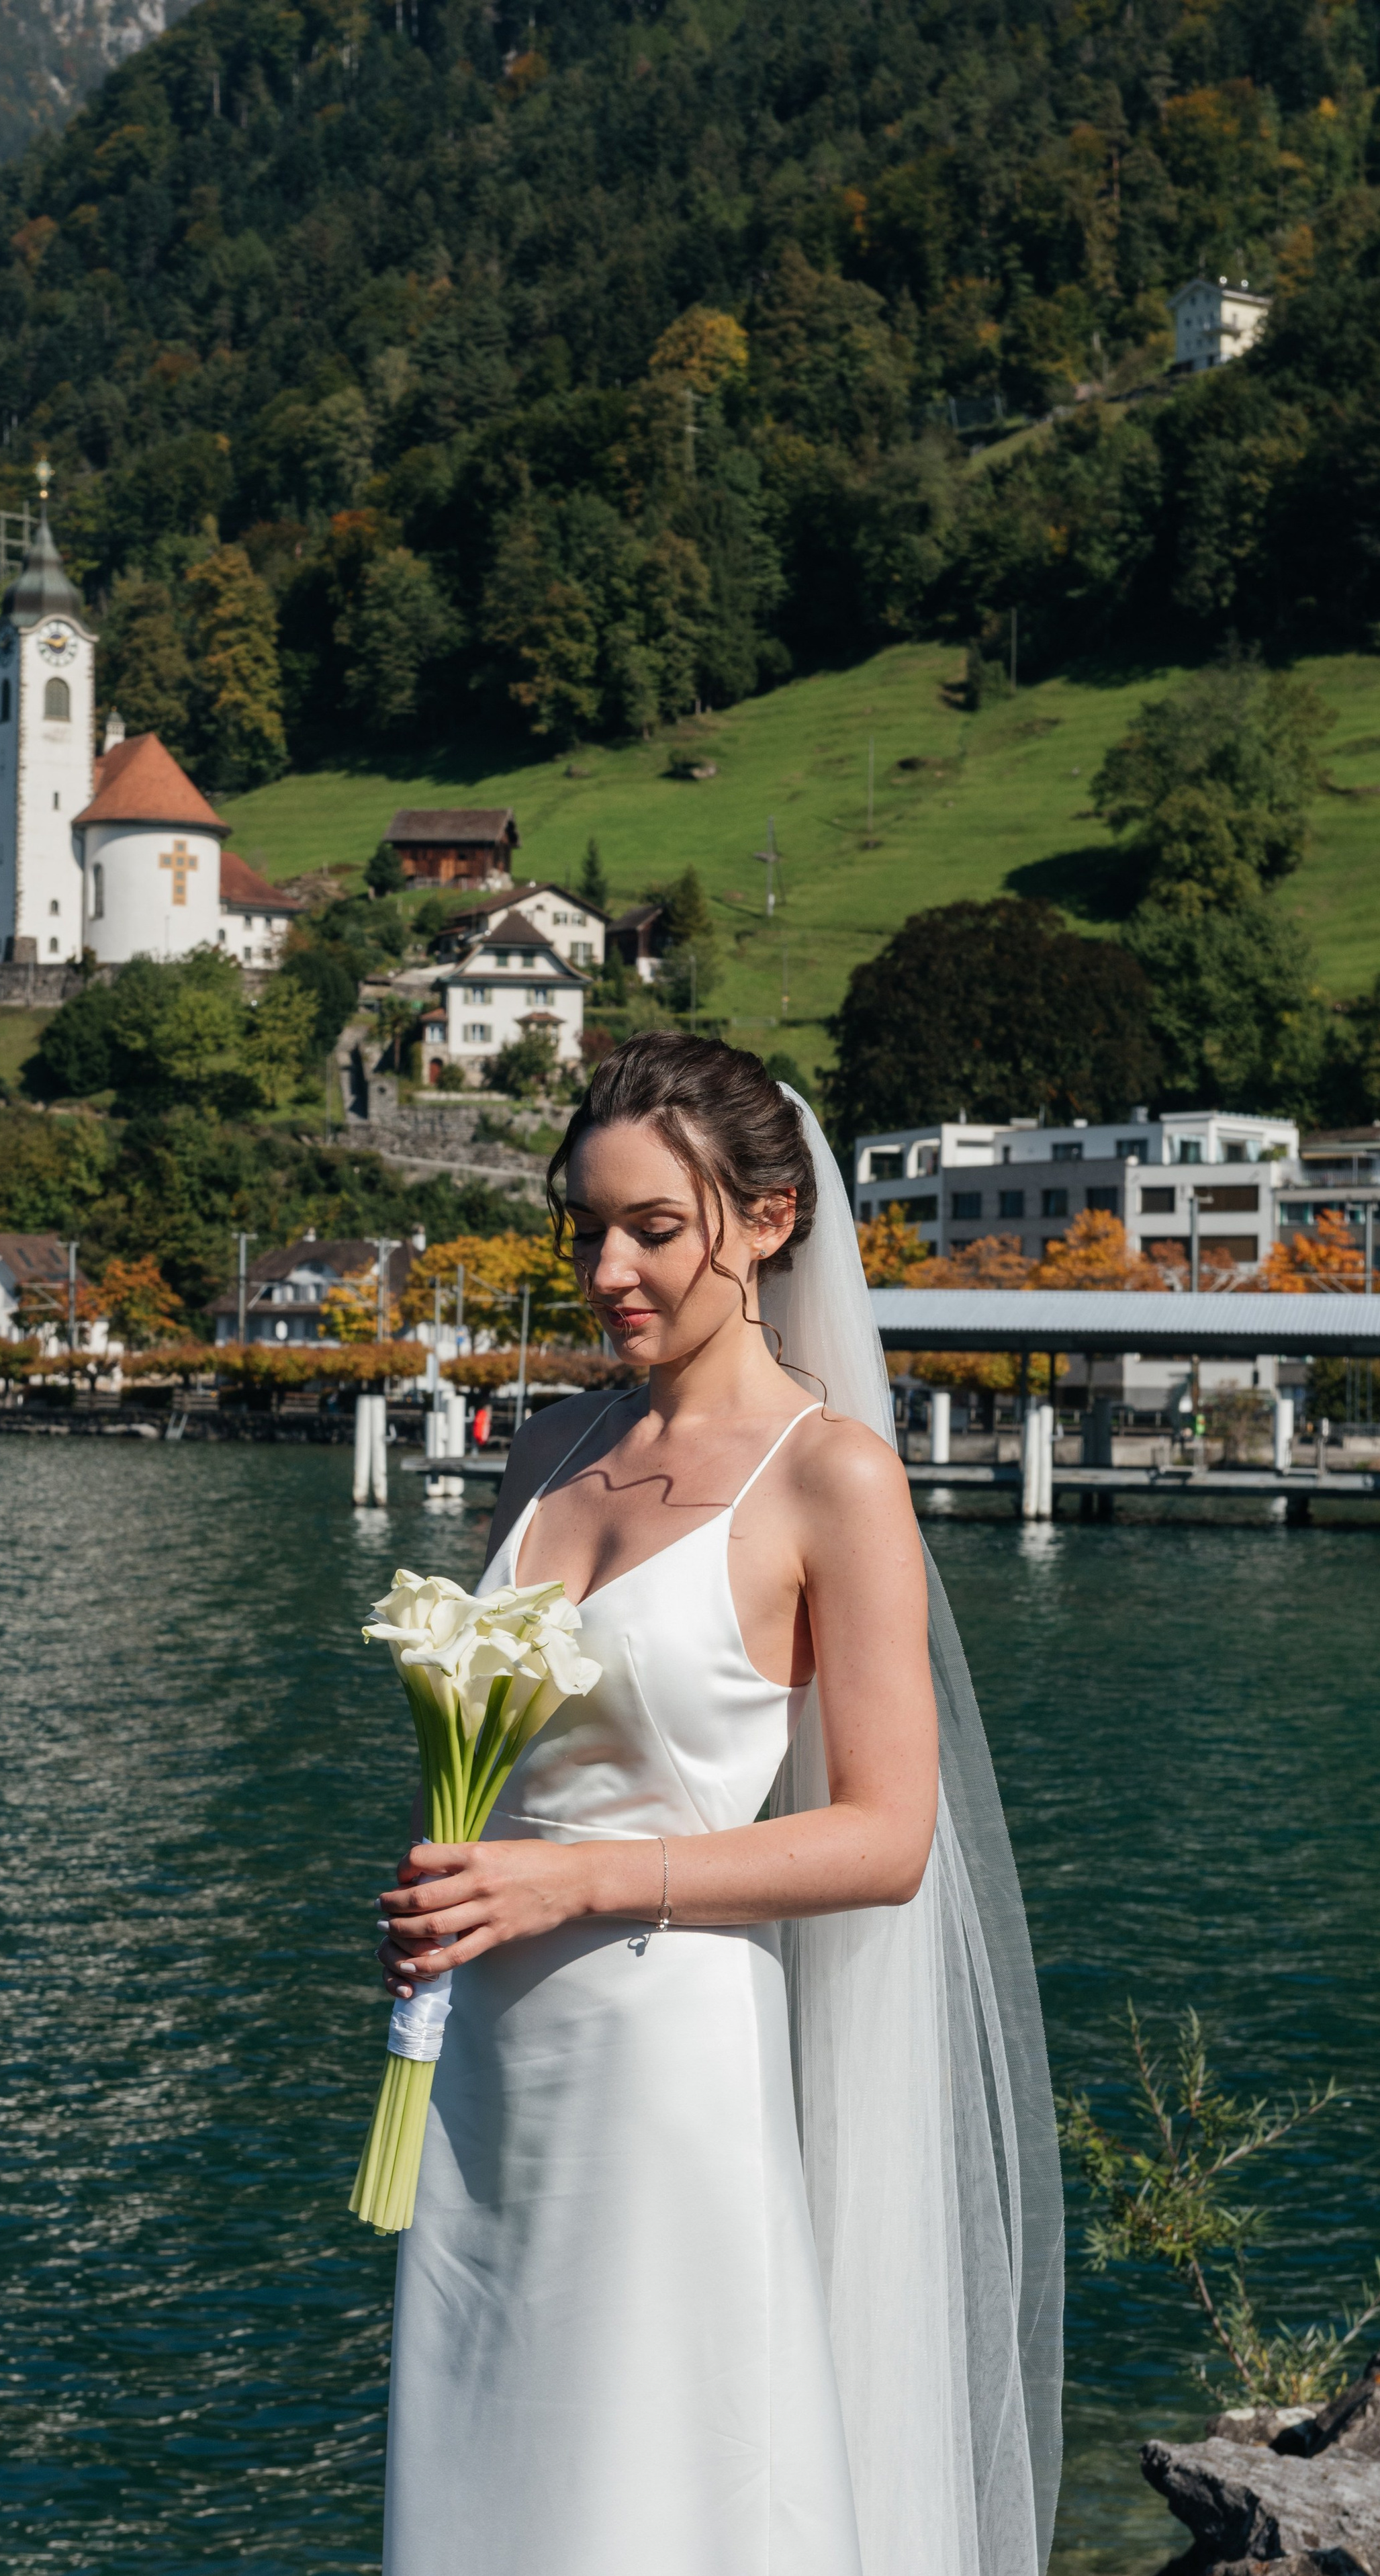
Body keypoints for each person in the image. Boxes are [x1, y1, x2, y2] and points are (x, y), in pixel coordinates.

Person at [376, 1032, 1062, 2576]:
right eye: (585, 1229)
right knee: (487, 2478)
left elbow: (886, 1838)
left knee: (666, 2489)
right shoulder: (547, 1453)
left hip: (670, 2065)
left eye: (651, 1228)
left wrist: (572, 1883)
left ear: (764, 1222)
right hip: (488, 2059)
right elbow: (513, 1754)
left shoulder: (832, 1479)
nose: (607, 1267)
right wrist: (445, 1889)